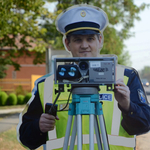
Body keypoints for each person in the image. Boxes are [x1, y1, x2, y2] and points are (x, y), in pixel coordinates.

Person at [17, 4, 150, 150]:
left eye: (90, 39)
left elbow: (144, 125)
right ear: (67, 44)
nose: (84, 45)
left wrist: (127, 106)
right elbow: (25, 138)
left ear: (100, 40)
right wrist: (38, 127)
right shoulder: (46, 84)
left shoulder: (126, 77)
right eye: (77, 40)